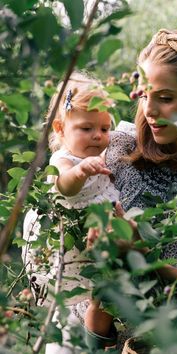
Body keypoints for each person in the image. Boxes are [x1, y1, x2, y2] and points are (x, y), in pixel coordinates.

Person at [85, 28, 177, 351]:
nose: (149, 110)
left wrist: (141, 252)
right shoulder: (120, 156)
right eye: (144, 95)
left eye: (165, 98)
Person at [22, 71, 119, 353]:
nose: (98, 136)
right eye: (86, 128)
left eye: (104, 128)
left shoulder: (97, 156)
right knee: (66, 331)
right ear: (60, 129)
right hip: (70, 261)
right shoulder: (63, 160)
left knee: (92, 324)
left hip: (93, 258)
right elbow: (65, 186)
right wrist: (79, 171)